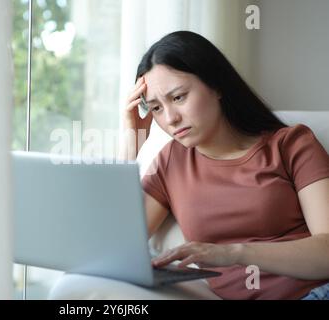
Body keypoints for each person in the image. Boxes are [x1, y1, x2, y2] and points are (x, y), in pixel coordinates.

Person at [120, 31, 329, 300]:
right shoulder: (170, 162)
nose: (170, 118)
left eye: (178, 97)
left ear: (217, 85)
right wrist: (132, 142)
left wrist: (231, 253)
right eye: (156, 108)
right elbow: (116, 250)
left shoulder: (291, 144)